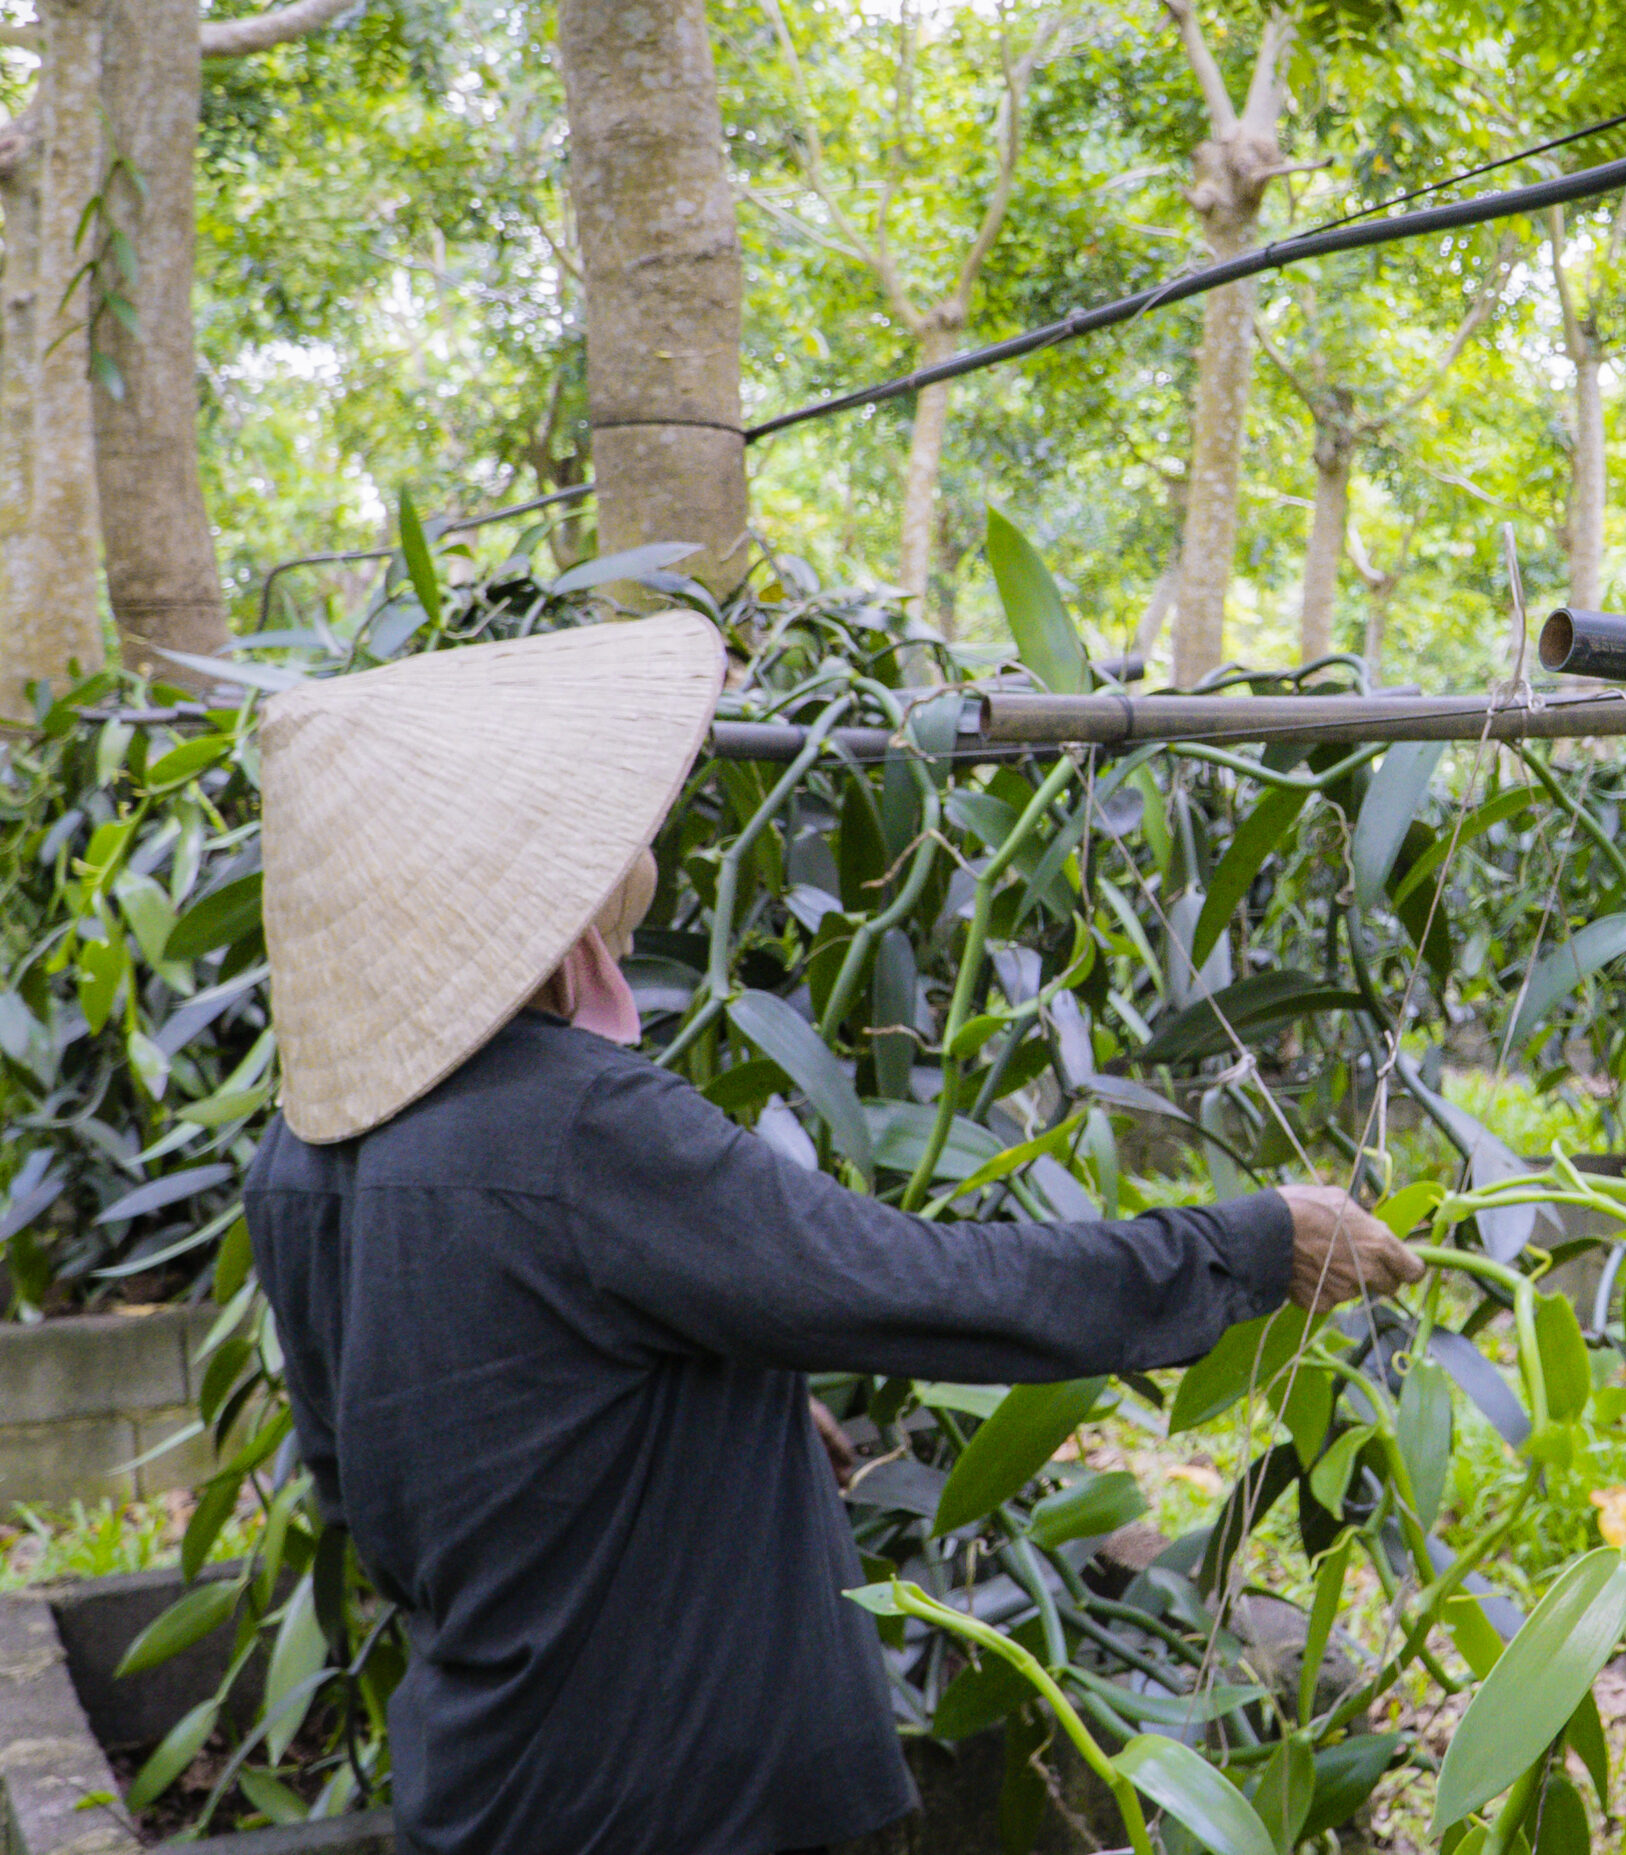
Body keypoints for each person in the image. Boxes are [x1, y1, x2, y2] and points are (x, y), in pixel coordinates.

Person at [243, 614, 1422, 1855]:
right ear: (527, 878)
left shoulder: (299, 1152)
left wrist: (706, 1410)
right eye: (613, 835)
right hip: (695, 1798)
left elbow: (394, 1460)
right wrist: (1245, 1243)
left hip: (489, 1786)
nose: (639, 853)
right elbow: (922, 1285)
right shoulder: (584, 1130)